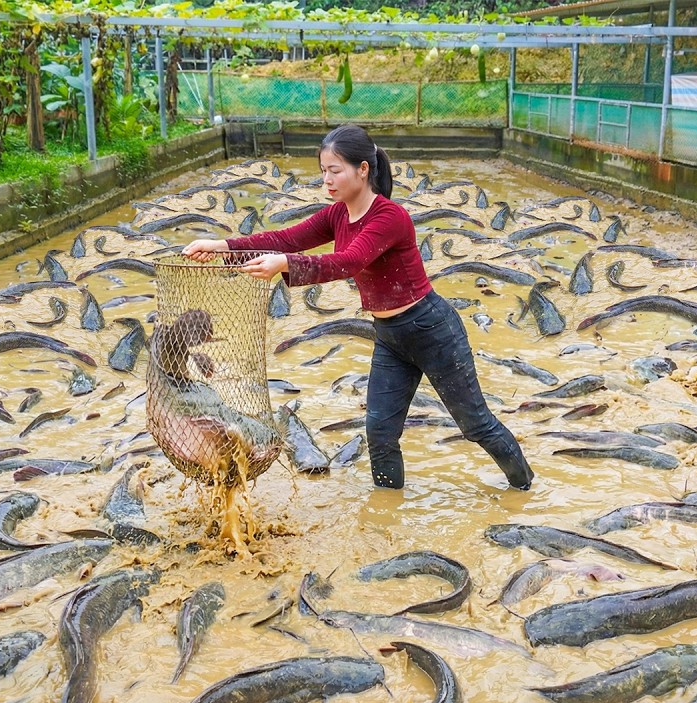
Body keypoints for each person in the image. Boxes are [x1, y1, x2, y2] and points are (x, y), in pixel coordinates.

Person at [183, 124, 534, 491]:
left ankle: (524, 488)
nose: (327, 180)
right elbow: (286, 237)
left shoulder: (389, 217)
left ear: (362, 169)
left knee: (475, 424)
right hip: (391, 337)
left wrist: (284, 264)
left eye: (335, 171)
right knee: (380, 433)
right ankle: (388, 508)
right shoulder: (337, 215)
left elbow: (348, 261)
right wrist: (223, 246)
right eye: (323, 171)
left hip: (432, 331)